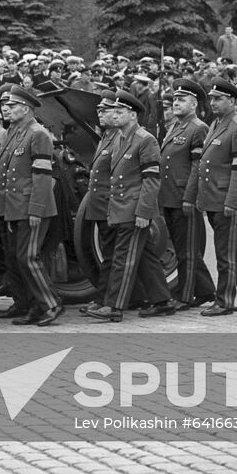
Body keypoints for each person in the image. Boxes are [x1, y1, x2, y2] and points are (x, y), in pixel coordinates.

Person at [90, 90, 172, 322]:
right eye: (113, 111)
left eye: (120, 111)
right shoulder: (120, 138)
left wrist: (144, 212)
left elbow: (151, 179)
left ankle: (114, 306)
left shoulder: (145, 139)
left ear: (133, 115)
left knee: (123, 258)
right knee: (144, 256)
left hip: (134, 210)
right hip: (121, 208)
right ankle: (162, 299)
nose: (114, 115)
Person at [0, 85, 62, 326]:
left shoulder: (38, 134)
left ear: (27, 109)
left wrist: (36, 210)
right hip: (13, 207)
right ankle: (32, 305)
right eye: (6, 105)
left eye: (12, 106)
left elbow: (42, 176)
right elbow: (1, 174)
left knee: (28, 257)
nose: (7, 109)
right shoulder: (12, 132)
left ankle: (51, 303)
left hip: (30, 206)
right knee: (17, 258)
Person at [189, 79, 237, 315]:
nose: (213, 102)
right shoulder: (218, 123)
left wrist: (232, 201)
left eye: (218, 98)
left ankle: (224, 301)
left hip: (227, 201)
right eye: (211, 98)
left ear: (232, 101)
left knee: (225, 254)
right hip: (214, 199)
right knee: (232, 249)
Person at [158, 79, 215, 310]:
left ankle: (186, 295)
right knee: (183, 248)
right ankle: (206, 290)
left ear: (193, 104)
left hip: (184, 197)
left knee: (186, 251)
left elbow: (197, 167)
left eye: (181, 100)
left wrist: (190, 198)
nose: (176, 104)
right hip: (170, 196)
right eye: (174, 100)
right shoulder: (175, 126)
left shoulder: (198, 128)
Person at [76, 92, 120, 315]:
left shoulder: (119, 138)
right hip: (100, 206)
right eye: (99, 110)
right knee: (108, 256)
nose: (100, 113)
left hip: (111, 206)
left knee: (112, 257)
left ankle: (109, 302)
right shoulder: (106, 137)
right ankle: (103, 299)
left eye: (105, 110)